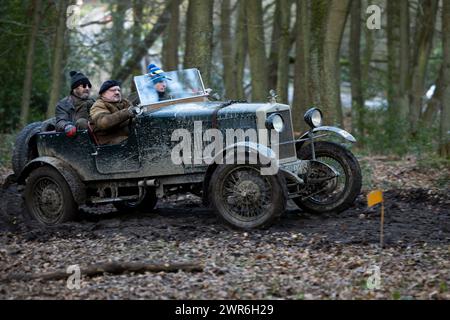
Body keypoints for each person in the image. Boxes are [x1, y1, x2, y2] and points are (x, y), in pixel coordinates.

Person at [89, 80, 141, 145]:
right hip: (109, 141)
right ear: (103, 93)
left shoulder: (125, 102)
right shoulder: (99, 105)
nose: (117, 92)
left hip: (128, 136)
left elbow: (136, 118)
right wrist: (127, 112)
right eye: (112, 90)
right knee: (132, 143)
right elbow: (103, 123)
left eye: (118, 90)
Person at [55, 71, 95, 137]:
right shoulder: (64, 104)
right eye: (84, 86)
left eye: (89, 86)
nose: (87, 88)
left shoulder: (93, 102)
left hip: (95, 137)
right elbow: (60, 121)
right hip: (74, 138)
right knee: (81, 122)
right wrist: (67, 126)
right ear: (75, 88)